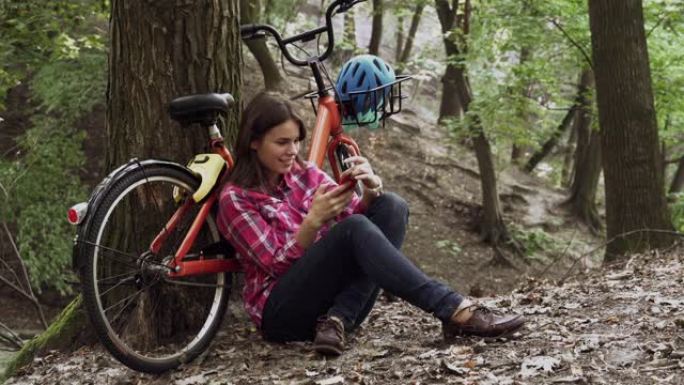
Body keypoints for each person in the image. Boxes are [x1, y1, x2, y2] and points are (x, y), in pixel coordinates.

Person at [217, 92, 525, 356]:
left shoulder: (304, 173)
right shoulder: (236, 199)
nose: (293, 151)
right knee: (353, 229)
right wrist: (312, 222)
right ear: (254, 142)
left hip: (328, 300)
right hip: (282, 313)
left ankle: (338, 320)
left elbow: (362, 231)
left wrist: (369, 192)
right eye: (282, 143)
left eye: (297, 141)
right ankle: (454, 309)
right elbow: (275, 265)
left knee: (391, 206)